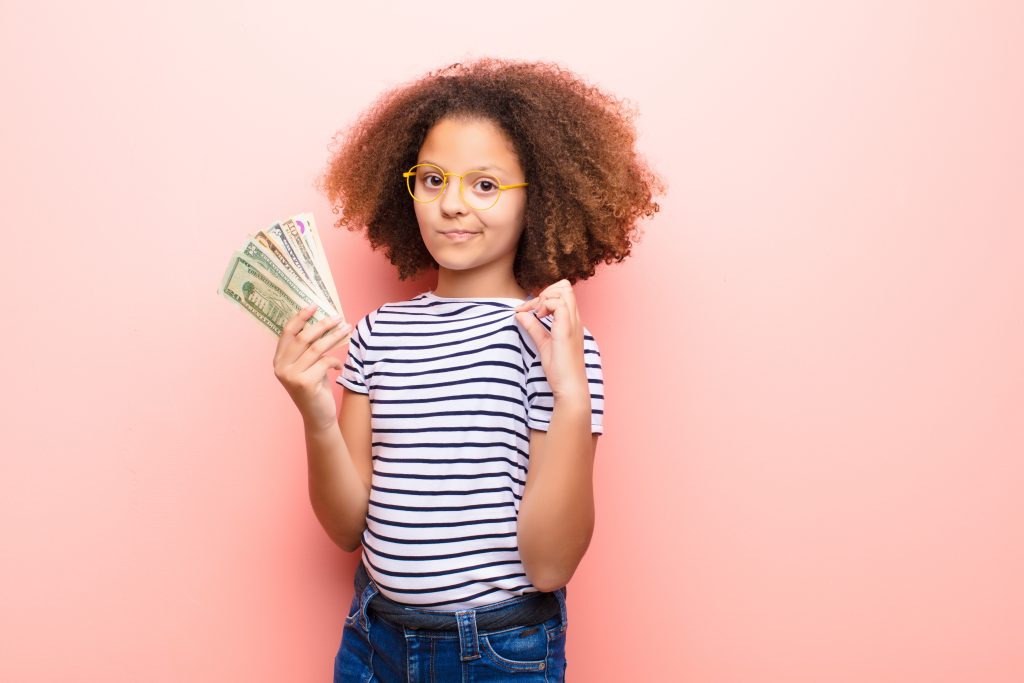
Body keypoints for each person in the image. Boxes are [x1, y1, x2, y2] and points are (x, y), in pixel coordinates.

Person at [273, 57, 664, 681]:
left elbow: (551, 565)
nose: (452, 205)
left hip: (498, 653)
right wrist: (315, 411)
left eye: (485, 185)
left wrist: (569, 392)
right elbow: (347, 527)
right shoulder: (380, 334)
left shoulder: (553, 342)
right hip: (373, 642)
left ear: (541, 197)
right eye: (432, 179)